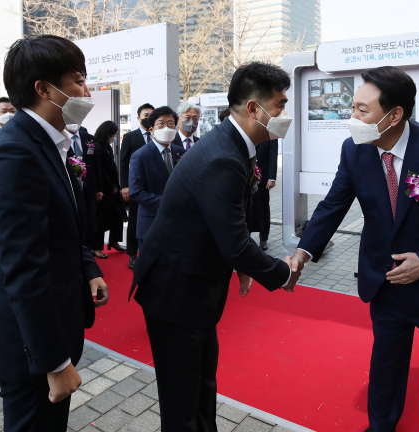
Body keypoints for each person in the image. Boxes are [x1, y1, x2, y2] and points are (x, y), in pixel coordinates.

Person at [289, 66, 419, 432]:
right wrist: (303, 252)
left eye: (361, 110)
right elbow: (334, 204)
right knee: (386, 365)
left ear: (394, 114)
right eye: (352, 107)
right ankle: (381, 425)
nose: (352, 117)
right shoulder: (355, 150)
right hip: (386, 284)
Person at [128, 62, 300, 431]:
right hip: (177, 294)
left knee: (201, 391)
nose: (284, 115)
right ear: (254, 108)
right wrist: (282, 271)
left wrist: (240, 261)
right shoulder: (223, 156)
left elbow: (225, 225)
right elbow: (236, 244)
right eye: (280, 105)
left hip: (194, 289)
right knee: (183, 405)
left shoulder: (232, 143)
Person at [0, 35, 109, 432]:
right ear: (44, 89)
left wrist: (88, 267)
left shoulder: (51, 144)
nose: (87, 91)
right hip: (25, 344)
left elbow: (60, 227)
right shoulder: (13, 152)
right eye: (78, 81)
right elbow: (23, 267)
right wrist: (55, 361)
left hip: (47, 326)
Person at [129, 106, 185, 252]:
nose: (166, 128)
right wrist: (166, 203)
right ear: (151, 129)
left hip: (178, 224)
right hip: (151, 223)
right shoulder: (140, 156)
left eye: (170, 124)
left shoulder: (182, 153)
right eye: (161, 124)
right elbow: (136, 192)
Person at [120, 103, 154, 269]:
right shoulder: (130, 137)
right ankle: (132, 254)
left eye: (151, 116)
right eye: (146, 115)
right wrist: (124, 185)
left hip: (155, 185)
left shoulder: (159, 135)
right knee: (133, 220)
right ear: (138, 117)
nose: (148, 118)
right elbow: (123, 162)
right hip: (136, 186)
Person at [65, 124, 104, 254]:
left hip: (89, 186)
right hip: (69, 186)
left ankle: (87, 249)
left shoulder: (89, 138)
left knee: (89, 218)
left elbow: (95, 163)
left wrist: (99, 188)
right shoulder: (59, 137)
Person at [92, 121, 127, 257]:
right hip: (103, 188)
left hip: (113, 187)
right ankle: (96, 247)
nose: (114, 136)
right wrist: (109, 186)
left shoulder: (107, 146)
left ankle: (114, 241)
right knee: (100, 219)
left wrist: (116, 185)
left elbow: (112, 167)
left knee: (118, 214)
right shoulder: (96, 147)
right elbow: (100, 171)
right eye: (112, 134)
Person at [248, 139, 278, 250]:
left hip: (263, 178)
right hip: (247, 177)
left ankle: (263, 239)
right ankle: (247, 236)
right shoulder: (248, 130)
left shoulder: (270, 133)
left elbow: (273, 155)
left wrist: (272, 178)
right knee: (247, 209)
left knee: (263, 209)